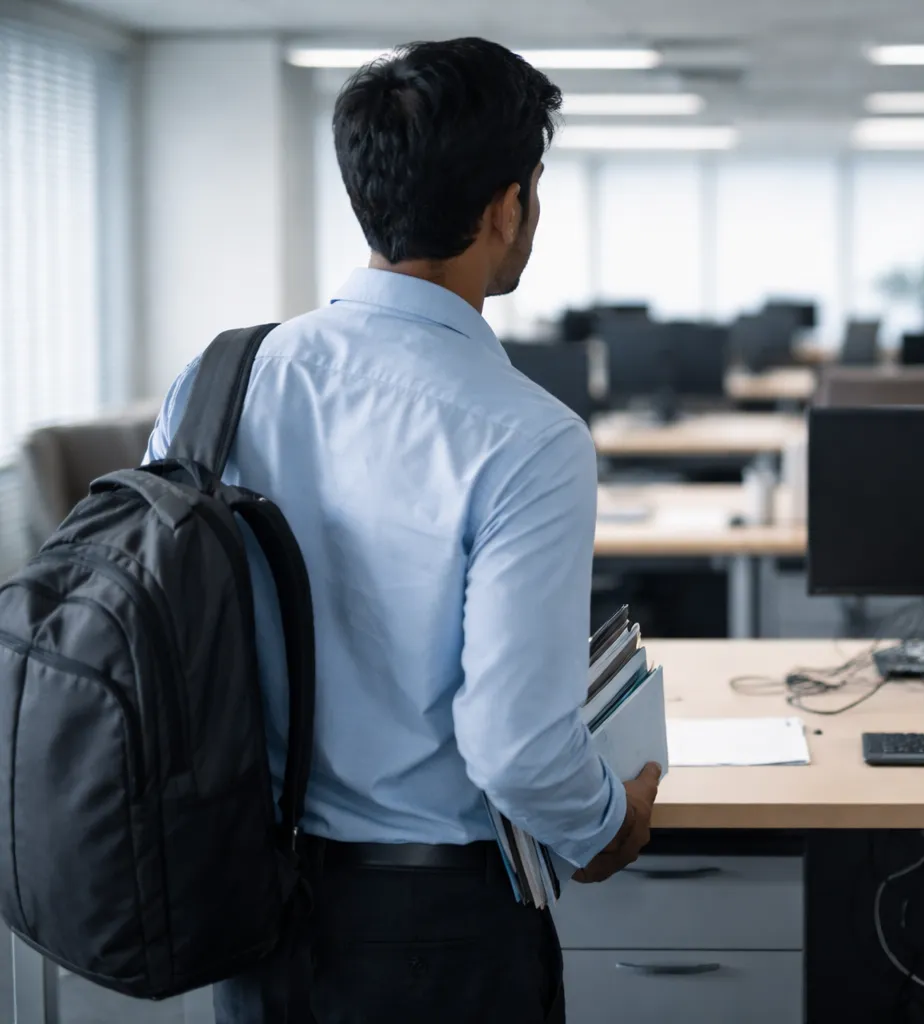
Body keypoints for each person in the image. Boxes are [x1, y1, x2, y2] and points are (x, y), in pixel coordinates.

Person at [144, 37, 660, 1023]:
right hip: (435, 926)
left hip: (249, 904)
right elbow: (516, 748)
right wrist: (605, 827)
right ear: (507, 206)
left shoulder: (221, 380)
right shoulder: (530, 437)